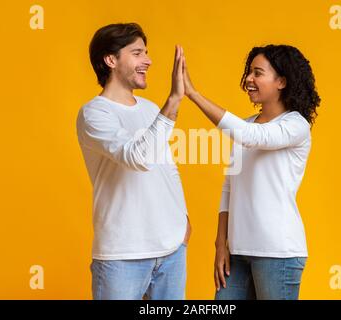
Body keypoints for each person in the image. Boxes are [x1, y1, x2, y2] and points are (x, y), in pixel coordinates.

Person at [181, 44, 320, 300]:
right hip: (237, 252)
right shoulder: (245, 124)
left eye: (258, 73)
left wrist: (193, 94)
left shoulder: (295, 125)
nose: (248, 80)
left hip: (278, 252)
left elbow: (252, 137)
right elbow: (229, 187)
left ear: (281, 81)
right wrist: (220, 244)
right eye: (249, 72)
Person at [76, 23, 191, 300]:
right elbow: (138, 157)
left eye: (146, 53)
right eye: (138, 53)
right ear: (111, 60)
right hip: (122, 256)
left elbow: (166, 167)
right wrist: (174, 100)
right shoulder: (94, 114)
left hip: (171, 252)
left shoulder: (151, 109)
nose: (148, 61)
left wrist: (182, 220)